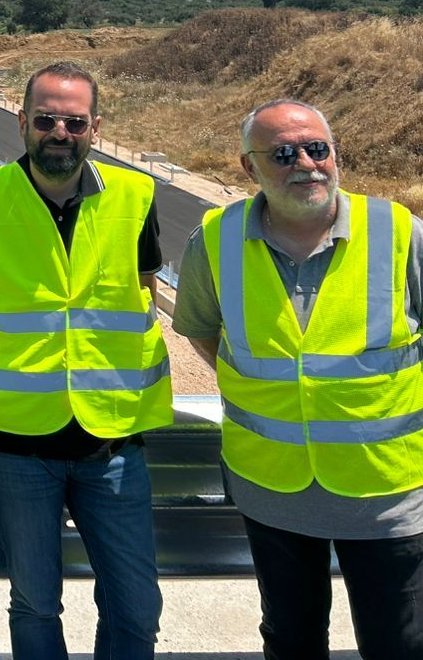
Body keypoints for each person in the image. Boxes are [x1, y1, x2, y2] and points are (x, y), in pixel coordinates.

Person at [0, 60, 169, 660]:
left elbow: (145, 290)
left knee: (136, 607)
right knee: (36, 603)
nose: (60, 132)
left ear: (95, 128)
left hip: (113, 438)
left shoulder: (135, 197)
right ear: (21, 123)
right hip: (14, 444)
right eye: (45, 120)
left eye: (74, 122)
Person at [172, 99, 423, 660]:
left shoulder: (398, 231)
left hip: (386, 493)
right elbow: (202, 330)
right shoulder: (216, 240)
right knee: (291, 640)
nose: (306, 164)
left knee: (400, 644)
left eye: (317, 149)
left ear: (335, 153)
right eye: (284, 153)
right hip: (273, 488)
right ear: (249, 166)